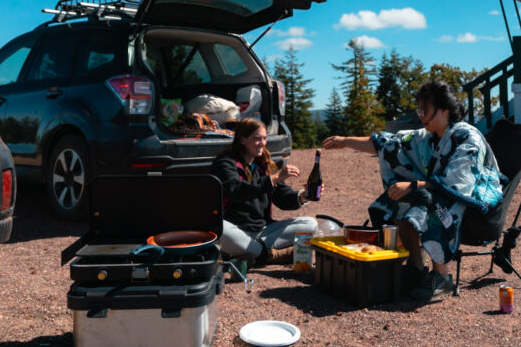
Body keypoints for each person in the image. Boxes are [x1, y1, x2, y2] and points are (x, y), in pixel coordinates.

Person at [322, 81, 504, 302]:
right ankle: (416, 267)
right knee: (399, 199)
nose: (421, 115)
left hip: (476, 207)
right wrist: (345, 141)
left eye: (424, 110)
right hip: (445, 194)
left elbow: (457, 184)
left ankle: (442, 278)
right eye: (419, 110)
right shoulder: (428, 136)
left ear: (444, 110)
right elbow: (388, 144)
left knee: (426, 199)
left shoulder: (467, 137)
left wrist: (413, 185)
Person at [212, 117, 317, 266]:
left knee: (309, 224)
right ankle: (270, 256)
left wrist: (304, 195)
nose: (263, 143)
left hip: (263, 232)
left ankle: (251, 253)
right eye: (257, 139)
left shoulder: (264, 164)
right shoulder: (225, 163)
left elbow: (283, 198)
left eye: (264, 138)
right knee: (219, 229)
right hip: (235, 230)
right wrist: (273, 179)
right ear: (242, 140)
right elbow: (236, 190)